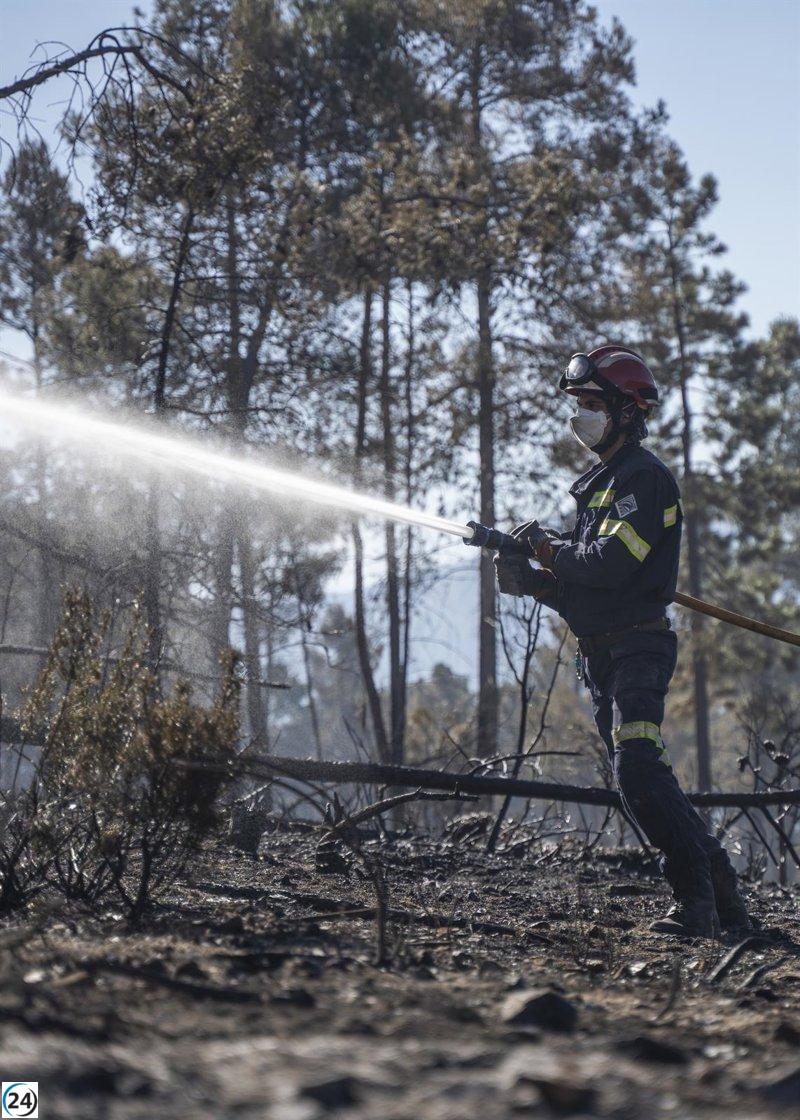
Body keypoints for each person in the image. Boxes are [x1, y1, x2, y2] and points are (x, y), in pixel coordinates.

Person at [495, 345, 750, 937]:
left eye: (591, 404)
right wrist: (530, 581)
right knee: (643, 774)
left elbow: (608, 564)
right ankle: (725, 900)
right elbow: (587, 589)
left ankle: (695, 903)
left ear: (626, 412)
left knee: (637, 768)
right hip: (604, 652)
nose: (579, 416)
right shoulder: (603, 484)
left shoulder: (643, 479)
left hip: (638, 651)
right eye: (577, 404)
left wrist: (547, 550)